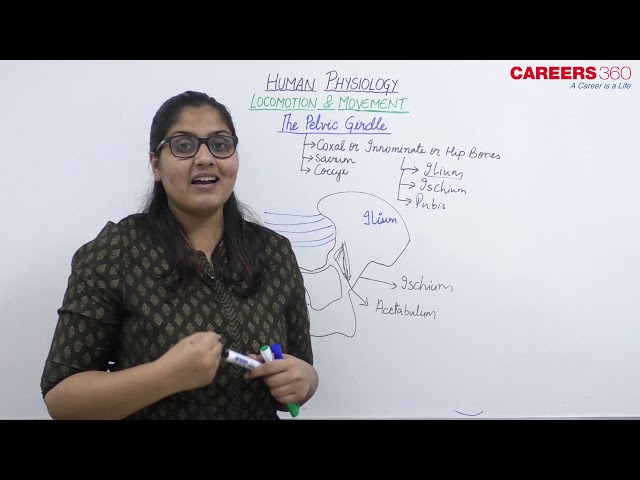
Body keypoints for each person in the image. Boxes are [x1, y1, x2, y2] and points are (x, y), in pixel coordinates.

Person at [40, 90, 319, 420]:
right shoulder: (115, 253)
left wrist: (305, 381)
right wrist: (165, 377)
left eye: (220, 144)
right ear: (155, 164)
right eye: (184, 145)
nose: (205, 158)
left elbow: (298, 369)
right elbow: (61, 398)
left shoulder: (274, 252)